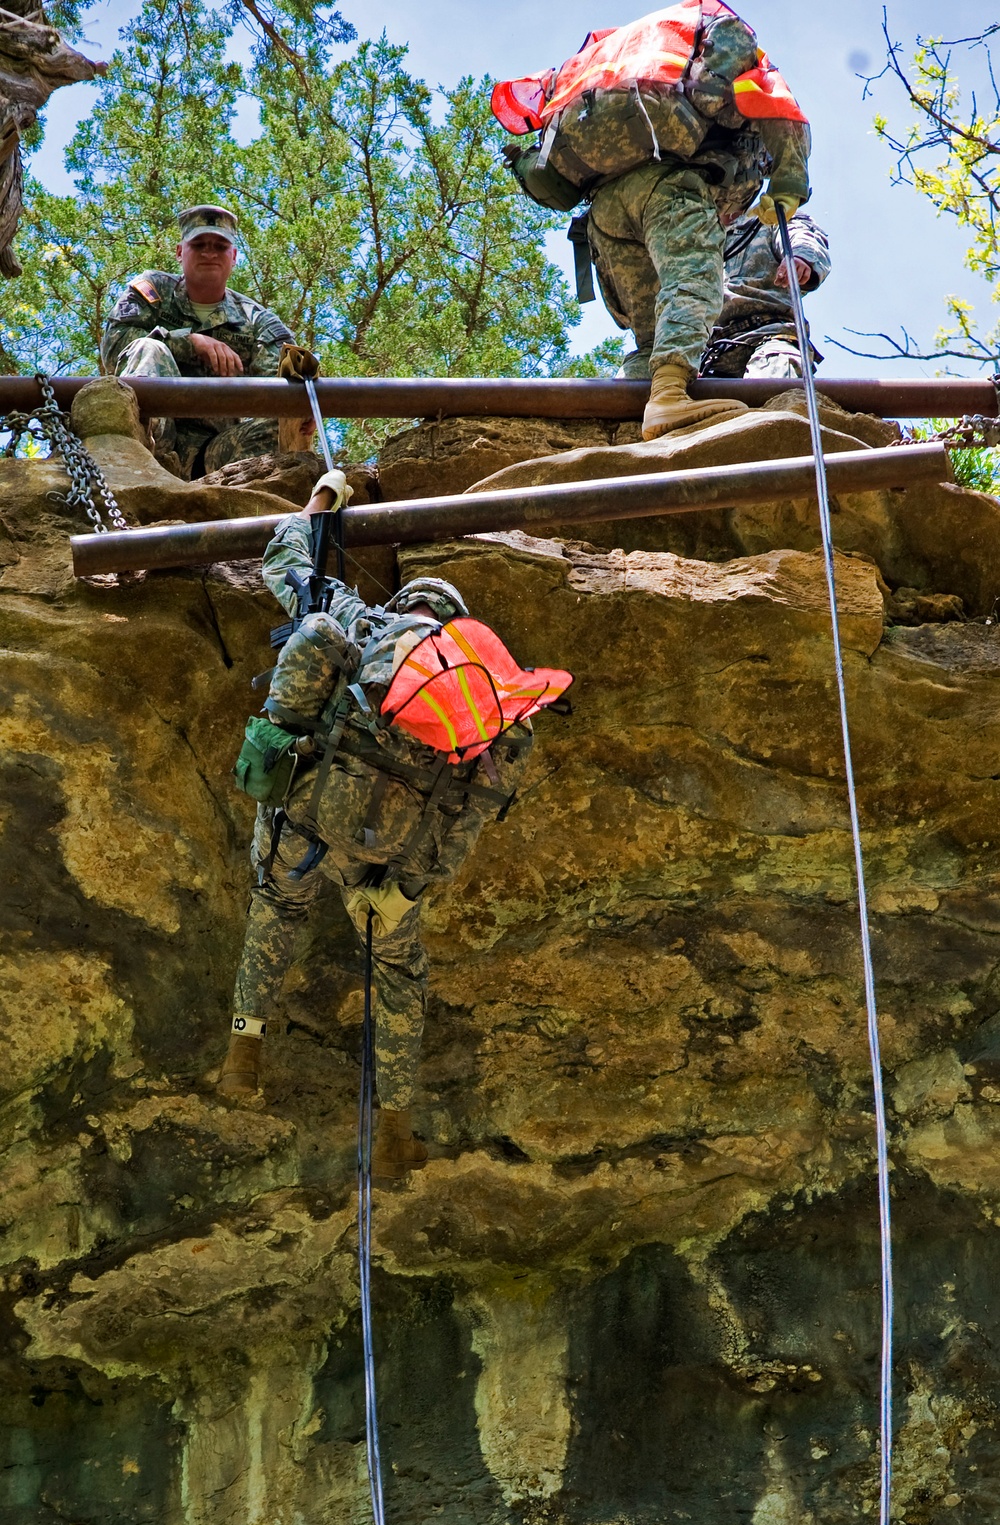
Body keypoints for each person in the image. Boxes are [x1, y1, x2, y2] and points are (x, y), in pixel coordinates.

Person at [222, 471, 535, 1180]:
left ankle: (243, 1054)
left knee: (274, 910)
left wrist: (319, 505)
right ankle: (394, 1133)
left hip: (303, 817)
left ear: (403, 606)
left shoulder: (358, 618)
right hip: (385, 866)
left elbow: (285, 563)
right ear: (456, 629)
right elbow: (472, 809)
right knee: (398, 972)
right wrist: (408, 889)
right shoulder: (476, 701)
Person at [493, 2, 812, 438]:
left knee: (651, 335)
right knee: (694, 283)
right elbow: (777, 106)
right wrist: (788, 182)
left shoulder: (616, 61)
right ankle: (666, 400)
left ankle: (627, 414)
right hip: (670, 190)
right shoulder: (728, 54)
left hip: (603, 212)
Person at [100, 205, 314, 478]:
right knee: (149, 347)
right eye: (198, 244)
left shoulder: (257, 320)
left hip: (216, 456)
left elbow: (288, 373)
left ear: (234, 256)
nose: (209, 253)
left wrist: (301, 409)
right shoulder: (153, 290)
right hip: (152, 437)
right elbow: (114, 347)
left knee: (285, 423)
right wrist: (189, 342)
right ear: (180, 252)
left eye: (220, 246)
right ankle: (132, 467)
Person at [700, 211, 830, 378]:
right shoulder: (698, 236)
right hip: (708, 354)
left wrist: (800, 257)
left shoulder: (770, 218)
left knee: (776, 382)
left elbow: (801, 235)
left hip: (769, 335)